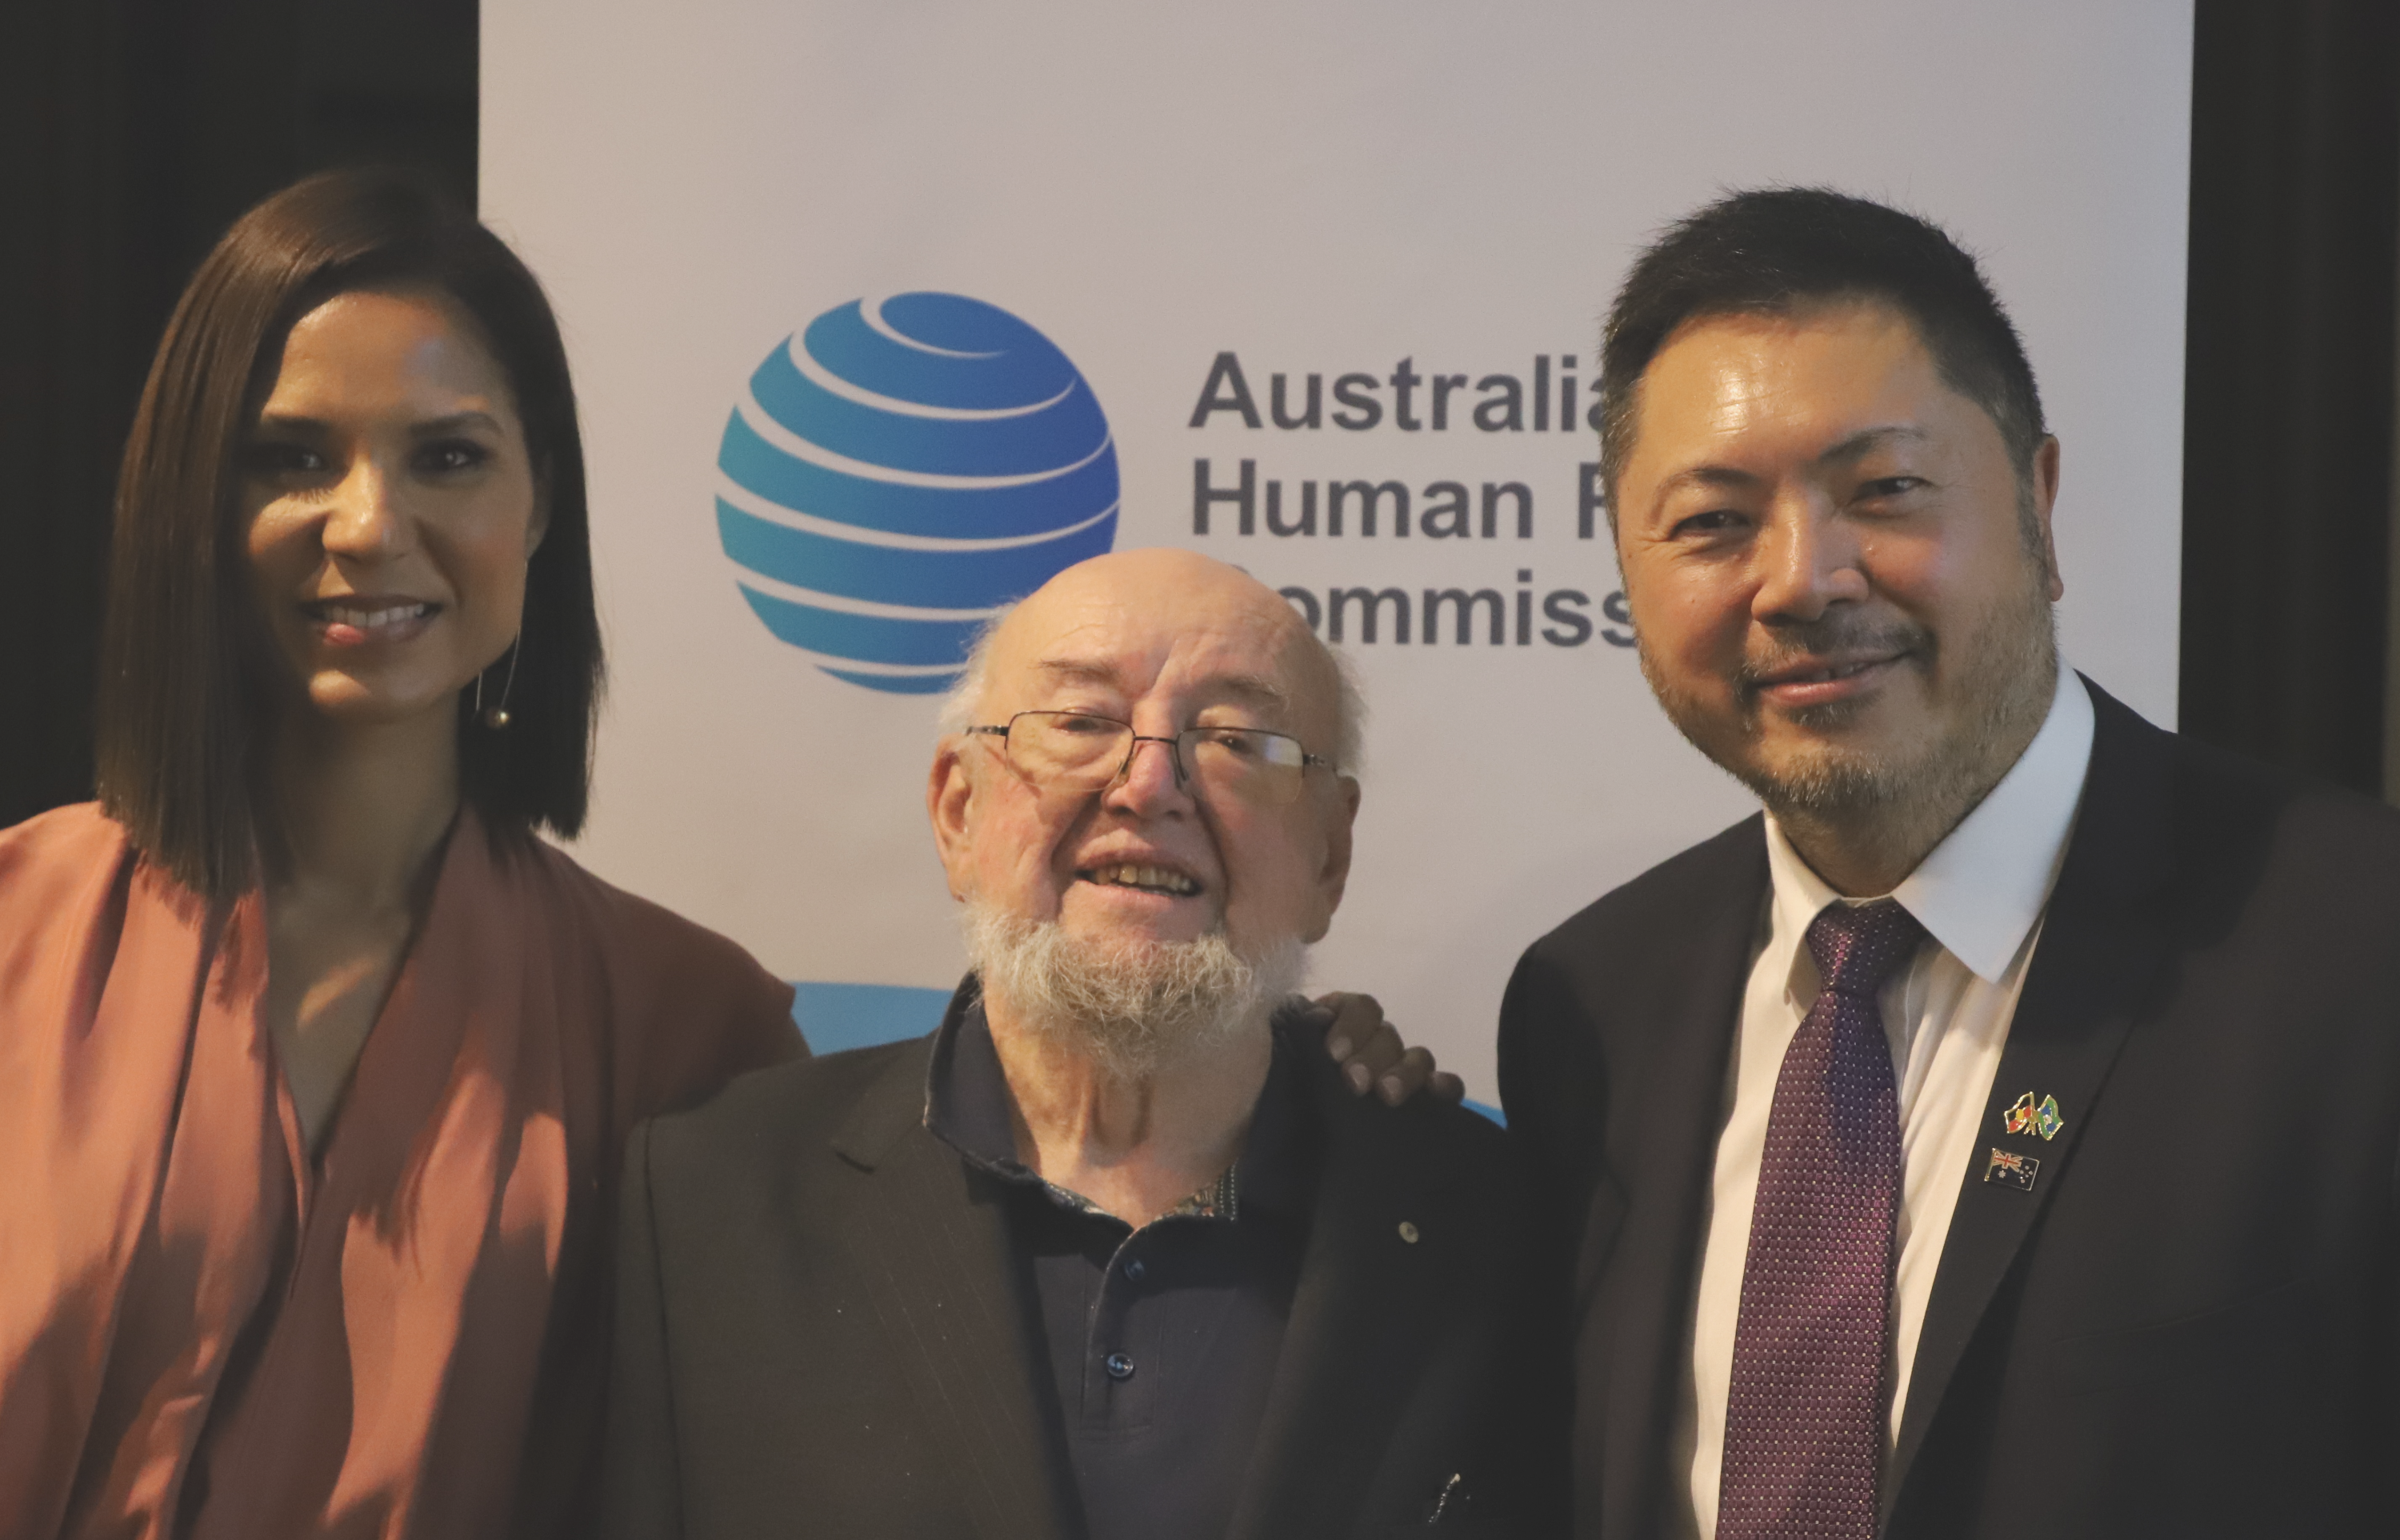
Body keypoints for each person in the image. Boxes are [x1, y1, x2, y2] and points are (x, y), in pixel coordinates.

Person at [0, 170, 1433, 1540]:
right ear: (188, 496)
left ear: (540, 508)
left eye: (448, 455)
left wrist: (1289, 1064)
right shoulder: (18, 934)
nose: (370, 524)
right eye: (292, 456)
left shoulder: (684, 1027)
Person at [1497, 186, 2400, 1538]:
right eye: (1711, 523)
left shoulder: (2352, 954)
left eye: (1886, 490)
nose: (1802, 580)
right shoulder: (1593, 1006)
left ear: (2038, 502)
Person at [602, 548, 1566, 1538]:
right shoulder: (702, 1198)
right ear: (958, 810)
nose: (1151, 785)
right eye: (1080, 723)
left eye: (1237, 738)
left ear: (1331, 853)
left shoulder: (1492, 1230)